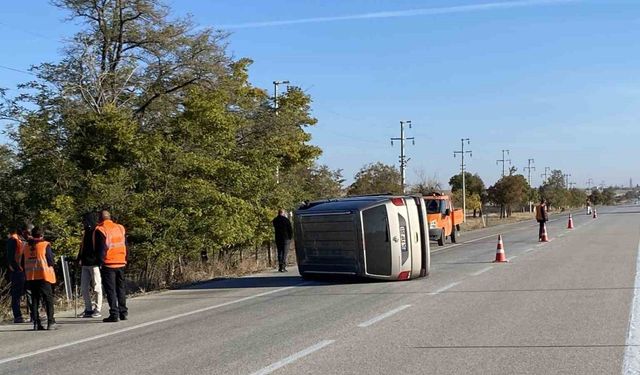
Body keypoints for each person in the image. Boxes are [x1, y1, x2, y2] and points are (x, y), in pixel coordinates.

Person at [94, 210, 128, 323]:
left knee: (111, 290)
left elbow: (101, 249)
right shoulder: (120, 228)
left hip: (109, 263)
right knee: (121, 288)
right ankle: (123, 312)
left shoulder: (101, 230)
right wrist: (125, 258)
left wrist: (100, 262)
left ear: (100, 218)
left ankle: (114, 313)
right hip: (121, 261)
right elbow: (125, 244)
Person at [22, 226, 57, 330]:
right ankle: (51, 322)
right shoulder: (45, 245)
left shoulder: (26, 247)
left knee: (35, 300)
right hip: (44, 276)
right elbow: (50, 261)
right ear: (42, 235)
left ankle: (36, 323)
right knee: (48, 299)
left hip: (31, 277)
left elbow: (22, 263)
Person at [77, 212, 102, 318]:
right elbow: (82, 247)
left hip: (95, 264)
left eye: (85, 221)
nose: (83, 223)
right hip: (85, 263)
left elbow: (100, 248)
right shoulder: (85, 232)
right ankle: (88, 309)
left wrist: (100, 261)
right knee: (84, 287)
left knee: (97, 286)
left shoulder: (97, 231)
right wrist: (79, 258)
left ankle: (98, 309)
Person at [6, 226, 29, 323]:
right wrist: (17, 268)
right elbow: (11, 257)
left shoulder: (21, 240)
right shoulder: (13, 240)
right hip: (17, 271)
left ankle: (32, 315)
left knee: (27, 293)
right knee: (16, 295)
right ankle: (17, 316)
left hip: (23, 271)